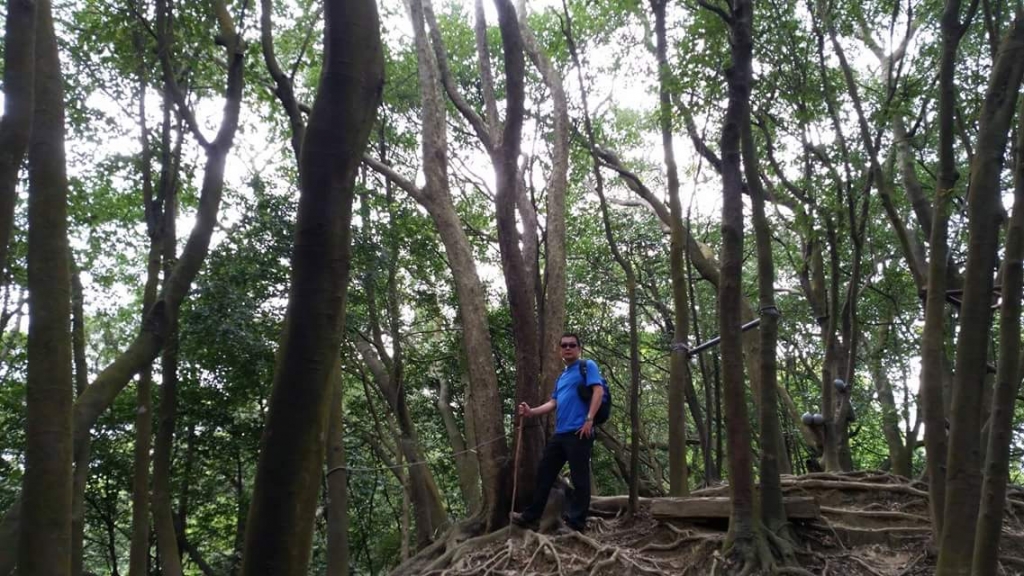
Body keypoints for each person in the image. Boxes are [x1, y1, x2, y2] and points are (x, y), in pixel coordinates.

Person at [511, 332, 607, 533]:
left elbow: (598, 391)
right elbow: (553, 402)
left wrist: (589, 419)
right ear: (559, 350)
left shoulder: (587, 366)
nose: (568, 348)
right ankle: (532, 517)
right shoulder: (562, 377)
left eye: (572, 345)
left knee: (580, 478)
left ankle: (576, 523)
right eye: (564, 345)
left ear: (579, 348)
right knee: (544, 474)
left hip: (580, 432)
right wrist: (531, 412)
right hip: (561, 434)